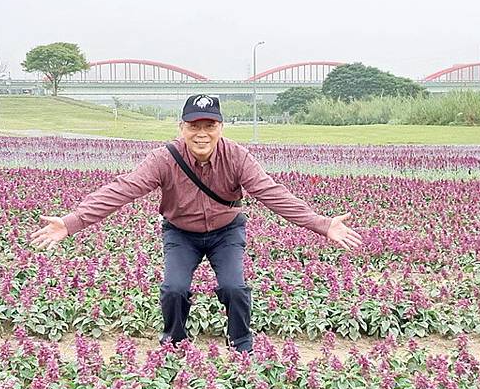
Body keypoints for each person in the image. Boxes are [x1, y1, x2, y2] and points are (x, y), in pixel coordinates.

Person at [30, 94, 362, 353]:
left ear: (220, 127)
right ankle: (173, 343)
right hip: (181, 234)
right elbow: (123, 190)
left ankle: (241, 345)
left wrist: (323, 224)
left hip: (226, 233)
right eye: (193, 126)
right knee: (174, 289)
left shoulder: (237, 157)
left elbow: (272, 194)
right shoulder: (164, 159)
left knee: (234, 287)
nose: (201, 133)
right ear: (182, 128)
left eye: (209, 125)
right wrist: (70, 223)